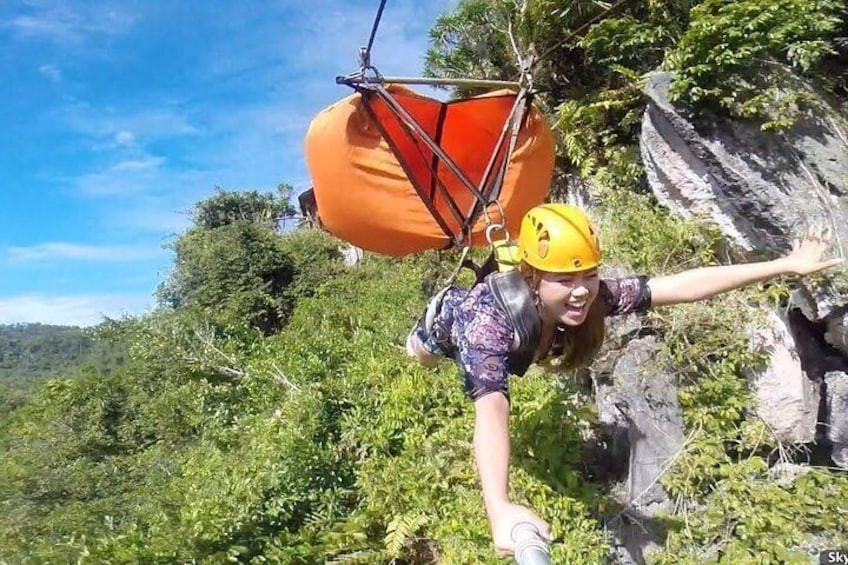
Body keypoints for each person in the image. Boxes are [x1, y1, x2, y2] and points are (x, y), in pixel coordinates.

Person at [405, 203, 842, 557]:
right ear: (534, 277)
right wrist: (497, 506)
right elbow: (492, 413)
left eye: (589, 275)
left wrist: (785, 265)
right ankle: (418, 337)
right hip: (447, 321)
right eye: (565, 279)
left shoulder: (591, 297)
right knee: (421, 355)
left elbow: (680, 287)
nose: (581, 290)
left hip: (525, 327)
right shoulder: (485, 326)